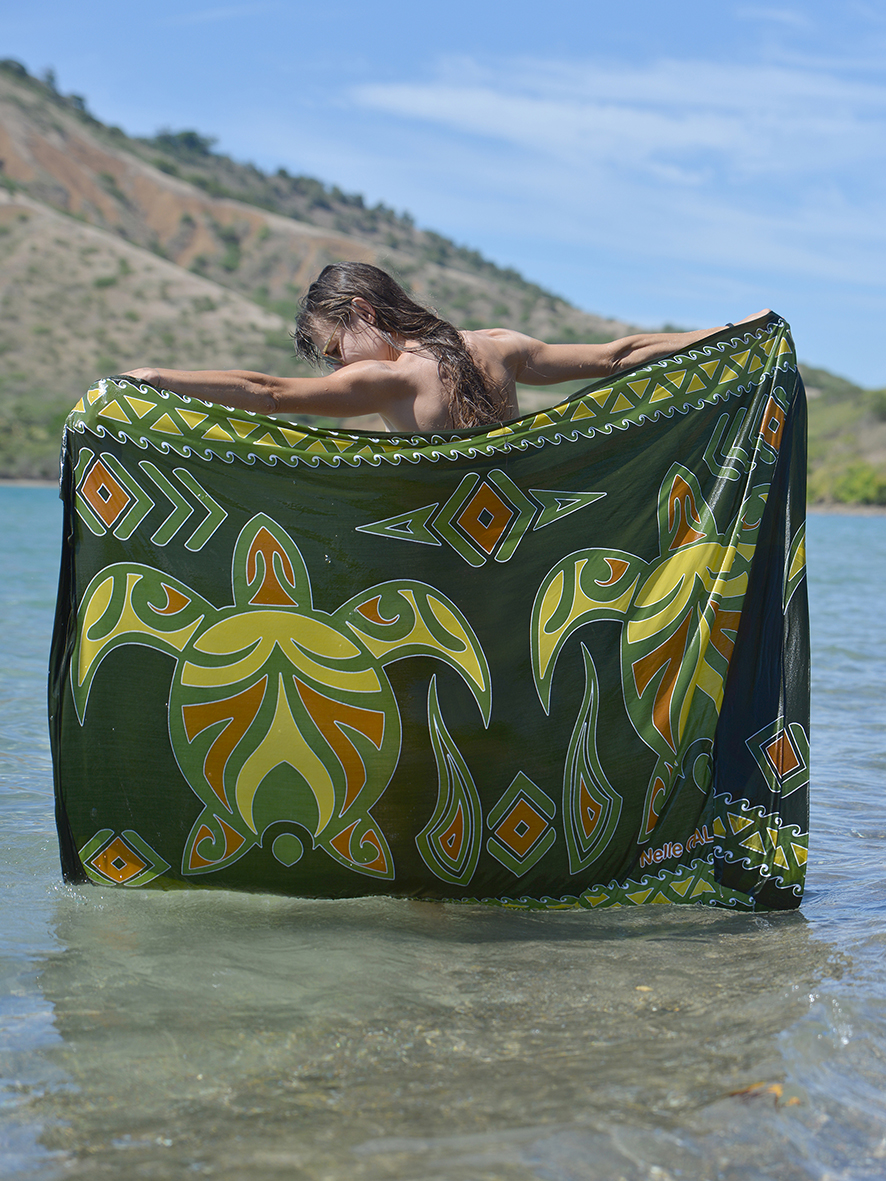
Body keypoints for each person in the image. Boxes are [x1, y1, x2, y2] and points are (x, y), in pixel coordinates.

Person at [124, 263, 768, 433]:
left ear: (363, 313)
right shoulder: (502, 347)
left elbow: (266, 393)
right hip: (517, 536)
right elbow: (618, 356)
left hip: (443, 554)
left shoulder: (392, 379)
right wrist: (732, 335)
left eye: (334, 348)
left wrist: (157, 380)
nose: (338, 365)